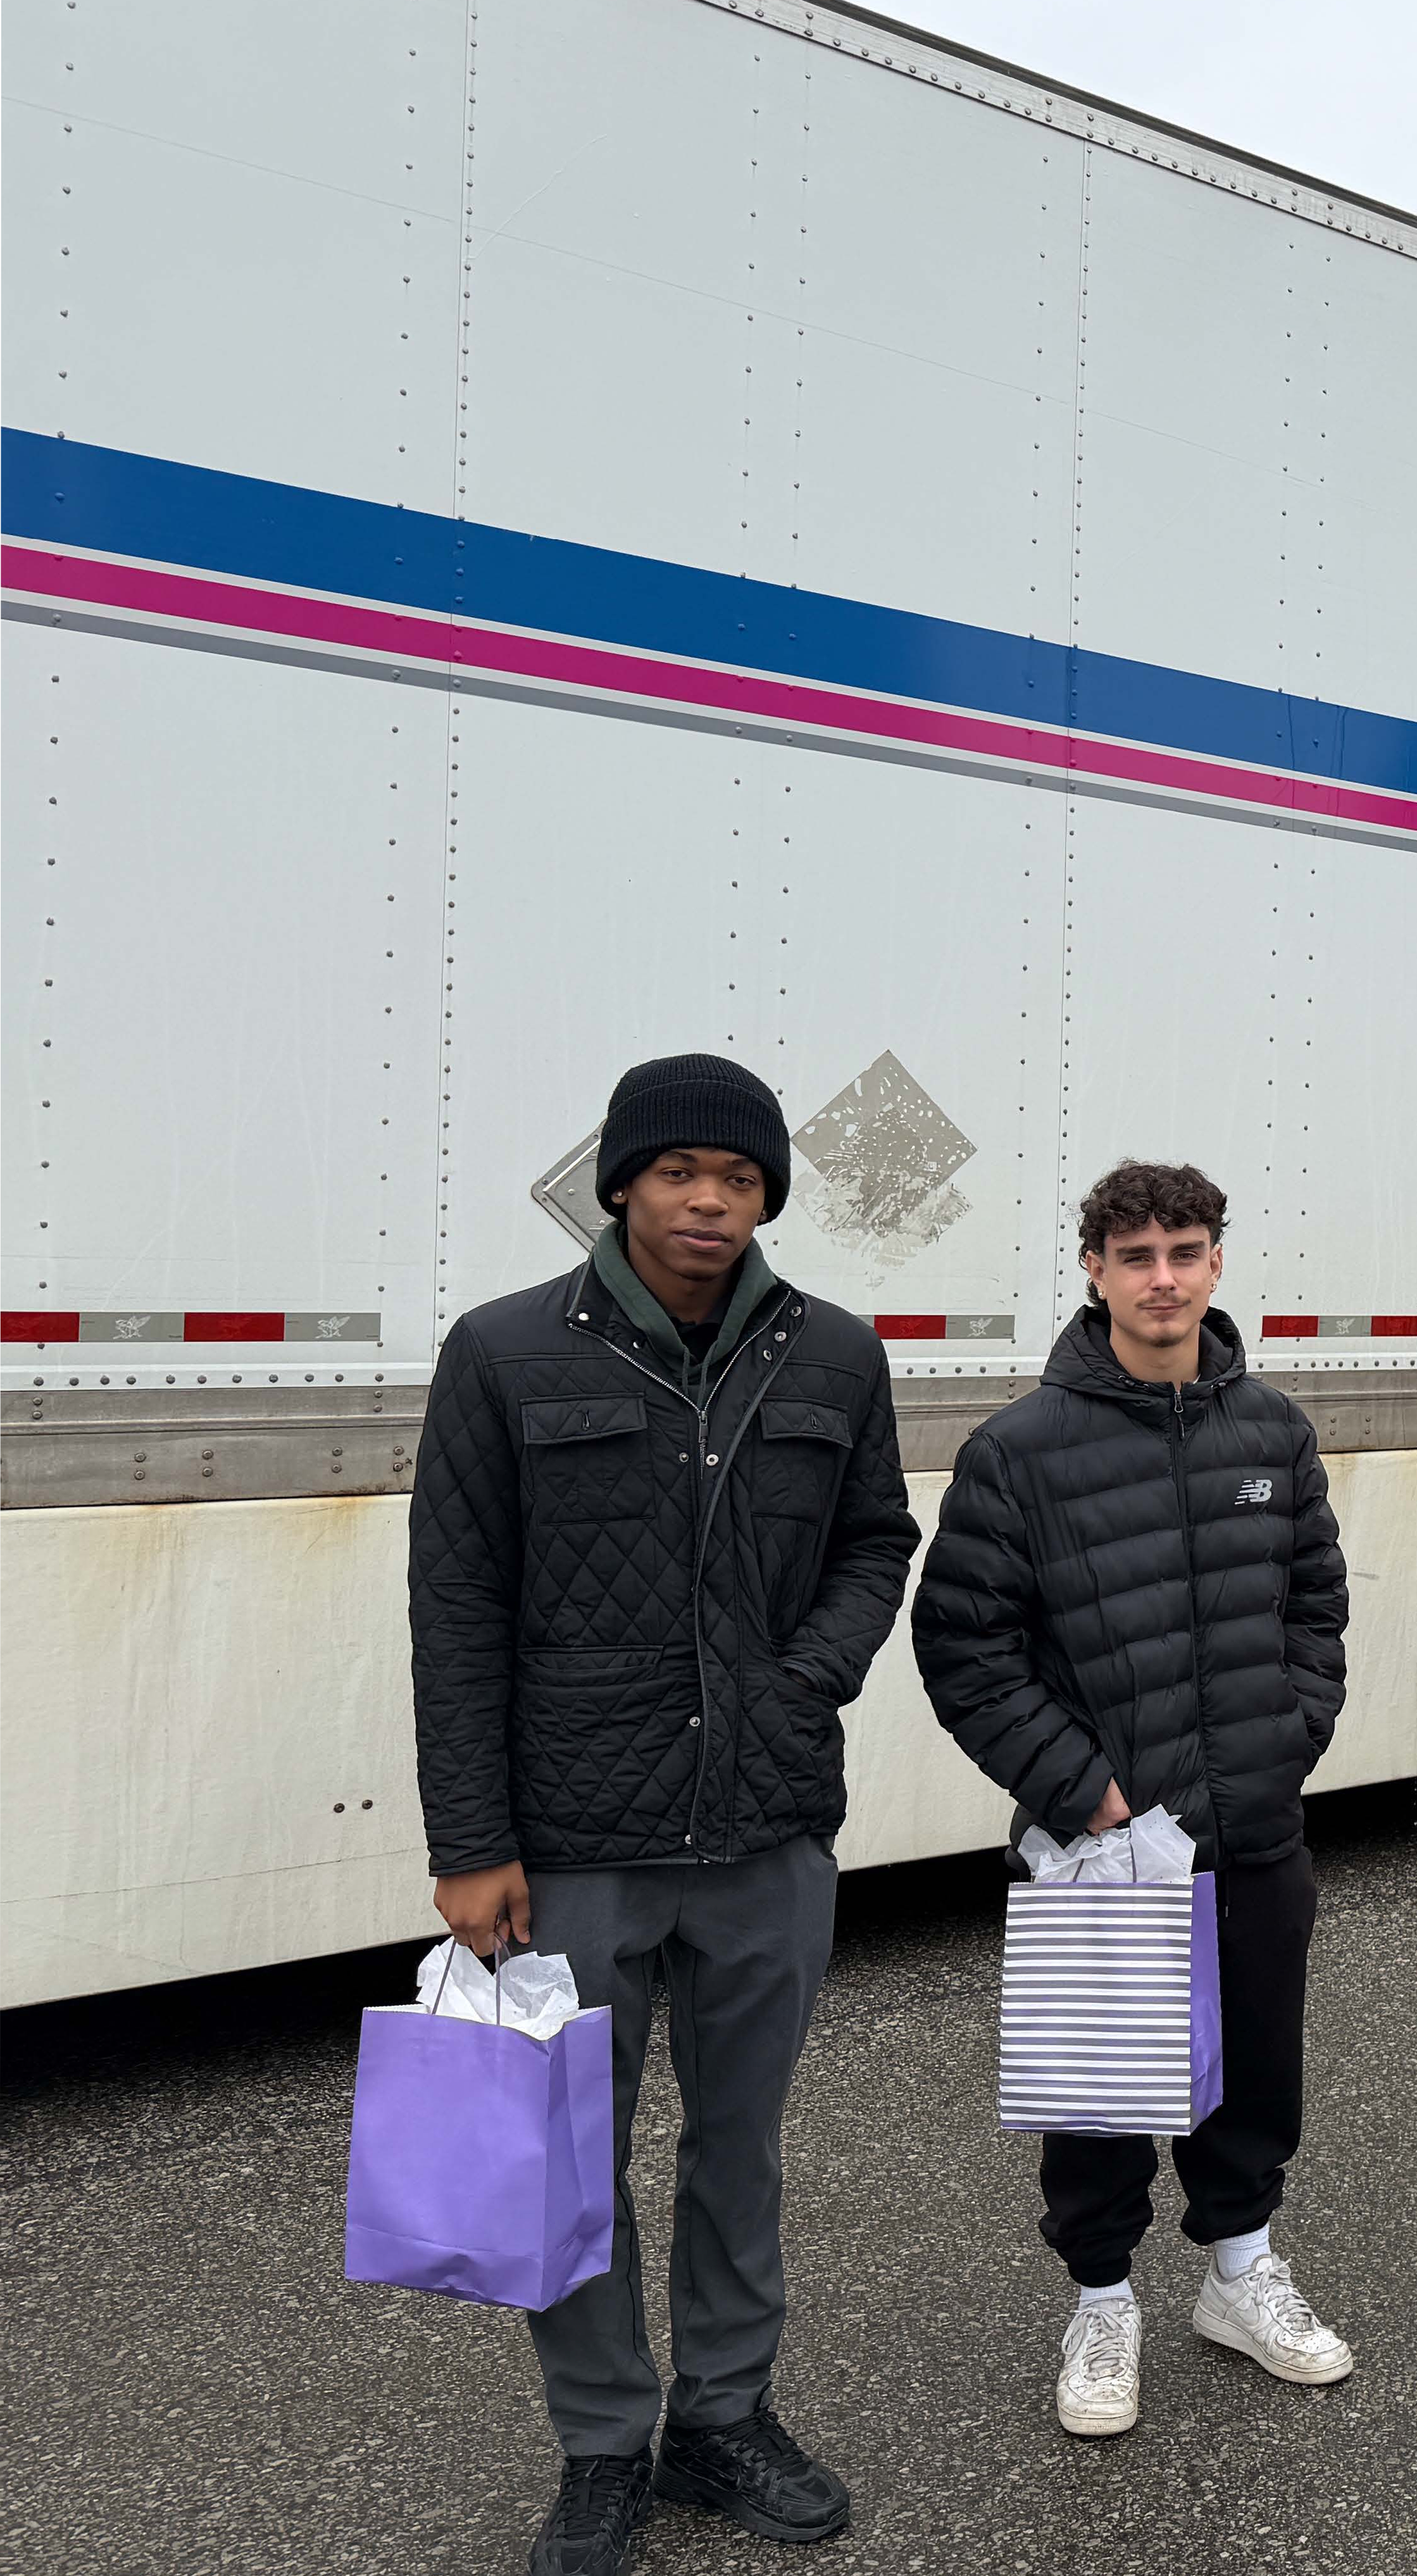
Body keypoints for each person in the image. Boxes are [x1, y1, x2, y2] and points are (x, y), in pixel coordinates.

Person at [410, 1052, 917, 2576]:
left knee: (738, 2148)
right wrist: (470, 1841)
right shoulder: (504, 1354)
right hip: (574, 1843)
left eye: (745, 1178)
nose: (713, 1201)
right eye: (684, 1171)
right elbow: (458, 1604)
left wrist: (803, 1677)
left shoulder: (833, 1353)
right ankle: (598, 2441)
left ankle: (723, 2415)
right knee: (570, 2155)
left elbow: (877, 1540)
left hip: (766, 1832)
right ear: (621, 1181)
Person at [912, 1160, 1354, 2439]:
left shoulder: (1272, 1432)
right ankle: (1103, 2300)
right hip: (1098, 1847)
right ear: (1096, 1269)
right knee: (1099, 2095)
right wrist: (1078, 1788)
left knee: (1255, 2069)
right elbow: (965, 1647)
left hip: (1252, 1831)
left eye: (1187, 1249)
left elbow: (1313, 1610)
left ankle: (1238, 2272)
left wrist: (1286, 1741)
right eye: (1137, 1252)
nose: (1164, 1276)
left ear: (1218, 1264)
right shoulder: (1020, 1452)